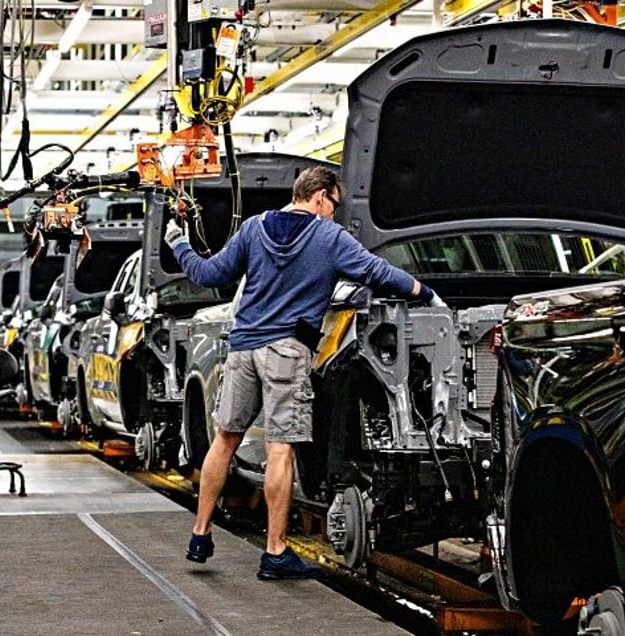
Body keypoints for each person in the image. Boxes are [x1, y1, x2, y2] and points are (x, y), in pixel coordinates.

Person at [165, 166, 445, 580]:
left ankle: (200, 534)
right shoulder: (328, 237)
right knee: (281, 449)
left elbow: (209, 274)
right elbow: (377, 272)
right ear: (319, 197)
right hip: (286, 352)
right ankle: (275, 553)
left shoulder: (255, 228)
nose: (334, 213)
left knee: (224, 439)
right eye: (333, 204)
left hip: (242, 347)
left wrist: (178, 243)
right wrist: (425, 293)